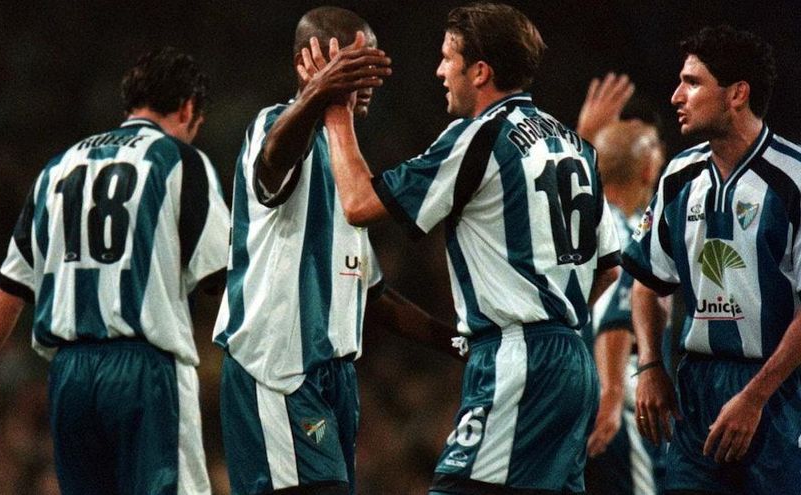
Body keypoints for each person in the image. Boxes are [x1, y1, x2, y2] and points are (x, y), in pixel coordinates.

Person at [301, 3, 621, 493]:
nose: (440, 70)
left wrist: (336, 110)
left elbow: (360, 203)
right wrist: (554, 315)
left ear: (481, 70)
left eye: (448, 57)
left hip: (518, 360)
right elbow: (609, 268)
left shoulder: (480, 136)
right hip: (572, 359)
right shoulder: (576, 146)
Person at [0, 47, 230, 495]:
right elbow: (223, 278)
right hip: (145, 370)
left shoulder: (58, 168)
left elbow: (8, 290)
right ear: (188, 108)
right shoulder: (181, 162)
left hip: (70, 377)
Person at [212, 7, 455, 495]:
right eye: (354, 65)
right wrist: (316, 95)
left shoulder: (346, 167)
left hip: (334, 378)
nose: (367, 81)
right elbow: (269, 169)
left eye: (371, 68)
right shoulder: (275, 124)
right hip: (278, 369)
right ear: (314, 59)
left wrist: (458, 341)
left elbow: (373, 295)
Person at [623, 24, 801, 494]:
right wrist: (650, 367)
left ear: (737, 94)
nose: (677, 95)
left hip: (779, 389)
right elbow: (646, 282)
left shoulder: (793, 181)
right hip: (696, 386)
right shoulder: (679, 178)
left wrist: (755, 397)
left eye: (693, 82)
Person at [582, 118, 666, 495]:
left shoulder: (587, 224)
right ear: (649, 167)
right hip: (619, 406)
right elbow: (613, 313)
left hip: (577, 395)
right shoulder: (626, 232)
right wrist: (613, 392)